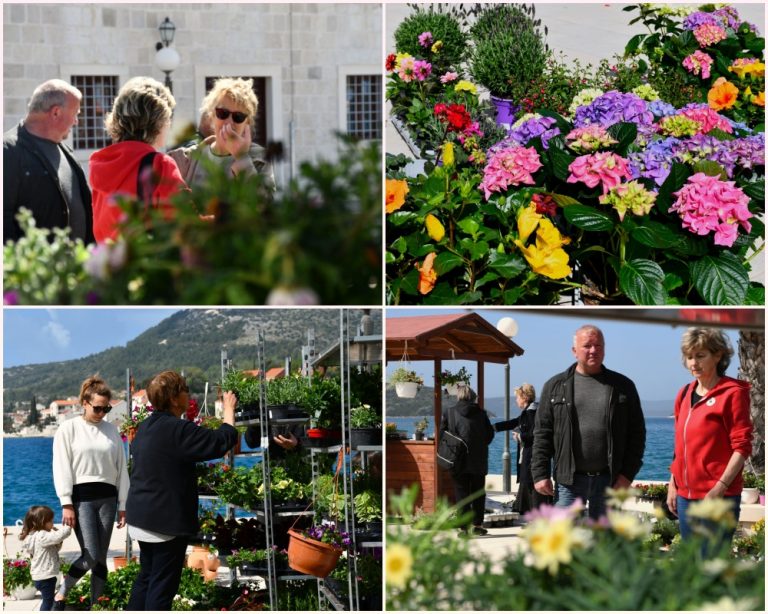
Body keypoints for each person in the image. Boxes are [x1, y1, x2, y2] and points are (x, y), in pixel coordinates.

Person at [126, 371, 238, 611]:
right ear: (175, 398)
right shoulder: (177, 429)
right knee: (161, 586)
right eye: (185, 388)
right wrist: (228, 411)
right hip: (164, 522)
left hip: (142, 516)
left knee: (146, 578)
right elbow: (220, 441)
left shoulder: (145, 427)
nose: (189, 392)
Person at [531, 325, 646, 520]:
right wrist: (540, 473)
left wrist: (627, 474)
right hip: (569, 480)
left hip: (609, 480)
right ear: (574, 351)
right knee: (564, 539)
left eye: (598, 345)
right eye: (587, 346)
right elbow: (543, 433)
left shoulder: (623, 386)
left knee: (605, 544)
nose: (593, 350)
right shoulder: (555, 386)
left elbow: (637, 434)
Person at [666, 328, 752, 552]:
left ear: (718, 355)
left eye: (700, 355)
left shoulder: (732, 393)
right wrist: (672, 484)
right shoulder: (684, 394)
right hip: (685, 497)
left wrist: (720, 488)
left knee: (712, 567)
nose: (693, 363)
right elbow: (680, 445)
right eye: (689, 356)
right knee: (694, 569)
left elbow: (742, 447)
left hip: (718, 497)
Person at [52, 376, 129, 610]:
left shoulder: (111, 431)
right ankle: (60, 595)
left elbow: (121, 468)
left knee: (101, 557)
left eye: (106, 408)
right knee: (91, 554)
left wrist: (123, 504)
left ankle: (97, 605)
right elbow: (61, 465)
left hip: (108, 498)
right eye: (97, 408)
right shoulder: (69, 428)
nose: (102, 412)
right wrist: (66, 502)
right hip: (81, 498)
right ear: (84, 402)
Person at [89, 76, 187, 243]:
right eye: (168, 118)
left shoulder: (100, 163)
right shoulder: (160, 165)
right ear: (158, 121)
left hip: (110, 264)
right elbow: (186, 224)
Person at [3, 79, 94, 243]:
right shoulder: (8, 151)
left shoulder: (66, 152)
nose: (76, 121)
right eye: (75, 114)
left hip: (76, 266)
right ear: (56, 112)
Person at [168, 77, 275, 192]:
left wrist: (241, 158)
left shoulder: (259, 160)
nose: (229, 122)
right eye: (222, 113)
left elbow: (264, 206)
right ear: (212, 115)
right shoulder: (185, 160)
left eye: (238, 117)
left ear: (247, 122)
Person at [442, 385, 495, 536]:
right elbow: (489, 435)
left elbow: (442, 435)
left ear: (458, 396)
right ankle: (477, 526)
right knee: (478, 493)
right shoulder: (482, 414)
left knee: (461, 493)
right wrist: (479, 445)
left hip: (457, 459)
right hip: (478, 459)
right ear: (473, 397)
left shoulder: (449, 412)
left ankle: (463, 528)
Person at [495, 383, 551, 515]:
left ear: (524, 397)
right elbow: (514, 422)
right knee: (528, 482)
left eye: (518, 397)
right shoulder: (531, 412)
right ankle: (530, 511)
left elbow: (534, 434)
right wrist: (495, 427)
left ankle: (535, 512)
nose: (516, 400)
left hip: (532, 455)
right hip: (535, 454)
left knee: (530, 482)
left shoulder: (530, 414)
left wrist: (519, 436)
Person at [20, 506, 72, 611]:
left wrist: (59, 541)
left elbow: (53, 548)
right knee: (47, 602)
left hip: (39, 577)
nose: (53, 523)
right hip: (46, 578)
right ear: (41, 522)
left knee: (48, 600)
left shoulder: (32, 536)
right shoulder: (41, 535)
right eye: (50, 521)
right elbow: (57, 536)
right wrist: (68, 526)